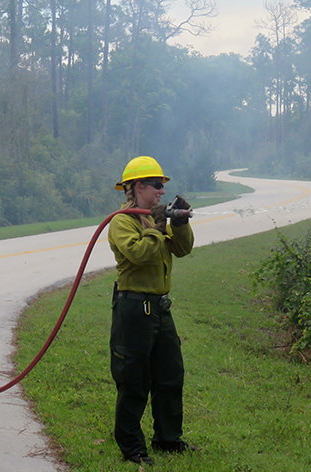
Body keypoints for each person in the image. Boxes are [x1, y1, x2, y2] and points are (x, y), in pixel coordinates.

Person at [107, 155, 196, 466]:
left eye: (162, 186)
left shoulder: (153, 218)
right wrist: (158, 225)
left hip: (160, 308)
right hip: (134, 309)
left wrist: (179, 224)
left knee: (170, 375)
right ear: (139, 186)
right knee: (134, 380)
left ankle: (168, 439)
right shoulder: (122, 222)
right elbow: (140, 254)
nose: (161, 191)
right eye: (157, 185)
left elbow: (182, 249)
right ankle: (132, 447)